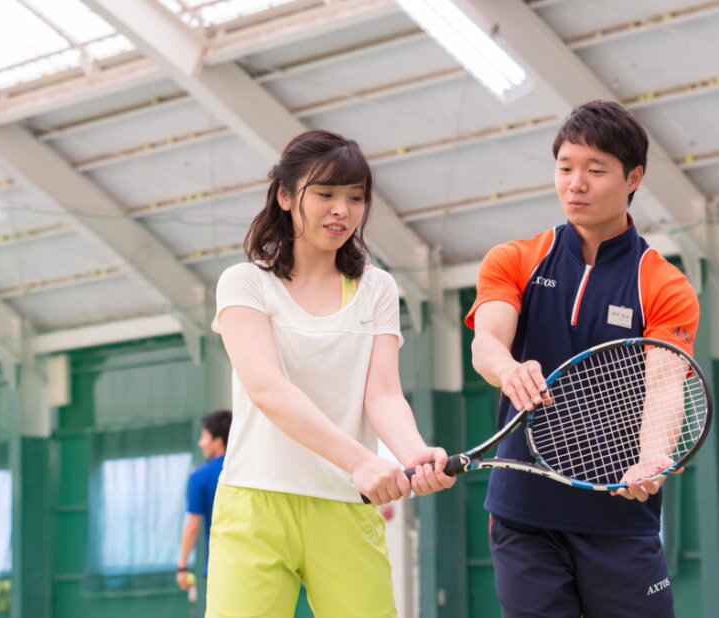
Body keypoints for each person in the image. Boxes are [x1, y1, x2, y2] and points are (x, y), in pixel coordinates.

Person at [464, 99, 699, 618]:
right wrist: (510, 370)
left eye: (595, 170)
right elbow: (487, 344)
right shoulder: (514, 260)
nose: (576, 183)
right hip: (523, 517)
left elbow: (665, 385)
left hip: (620, 518)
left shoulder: (664, 284)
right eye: (565, 168)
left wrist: (653, 455)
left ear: (633, 176)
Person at [207, 129, 456, 617]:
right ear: (284, 195)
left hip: (345, 508)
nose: (342, 209)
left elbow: (382, 394)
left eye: (356, 197)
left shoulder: (378, 288)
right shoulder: (244, 284)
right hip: (255, 504)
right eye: (325, 194)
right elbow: (268, 390)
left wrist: (413, 453)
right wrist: (361, 462)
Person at [176, 410, 232, 592]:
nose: (201, 443)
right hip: (256, 565)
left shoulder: (200, 476)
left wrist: (182, 567)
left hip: (220, 568)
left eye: (204, 437)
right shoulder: (249, 471)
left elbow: (192, 525)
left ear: (218, 441)